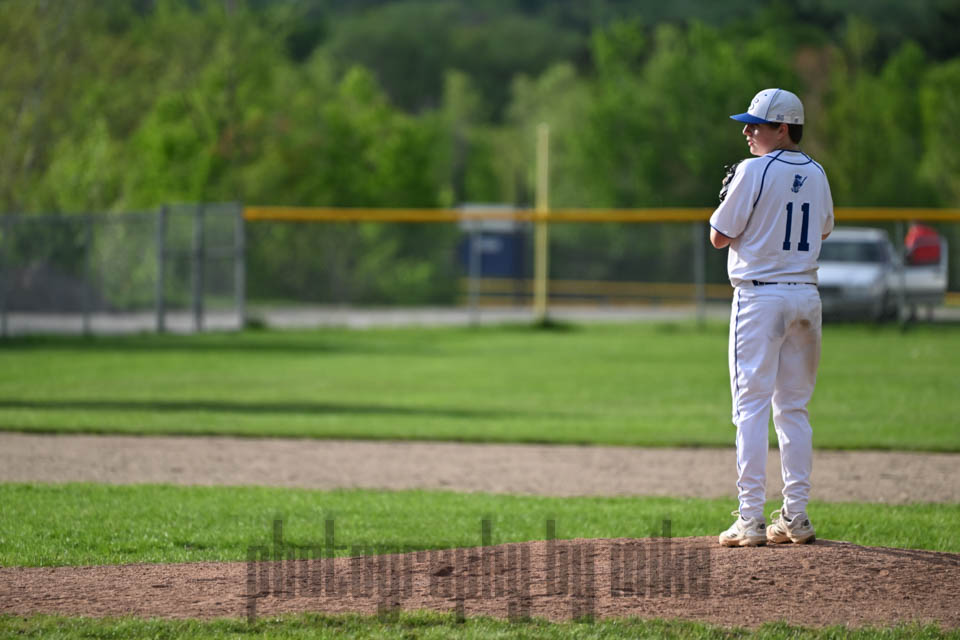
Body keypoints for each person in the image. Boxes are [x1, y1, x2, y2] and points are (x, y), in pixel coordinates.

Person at [708, 88, 834, 547]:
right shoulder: (818, 172)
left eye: (756, 125)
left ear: (782, 128)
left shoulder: (753, 170)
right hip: (806, 298)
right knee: (794, 409)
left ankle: (750, 518)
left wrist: (735, 198)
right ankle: (795, 516)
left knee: (751, 407)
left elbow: (719, 236)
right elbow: (823, 229)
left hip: (760, 298)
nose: (747, 132)